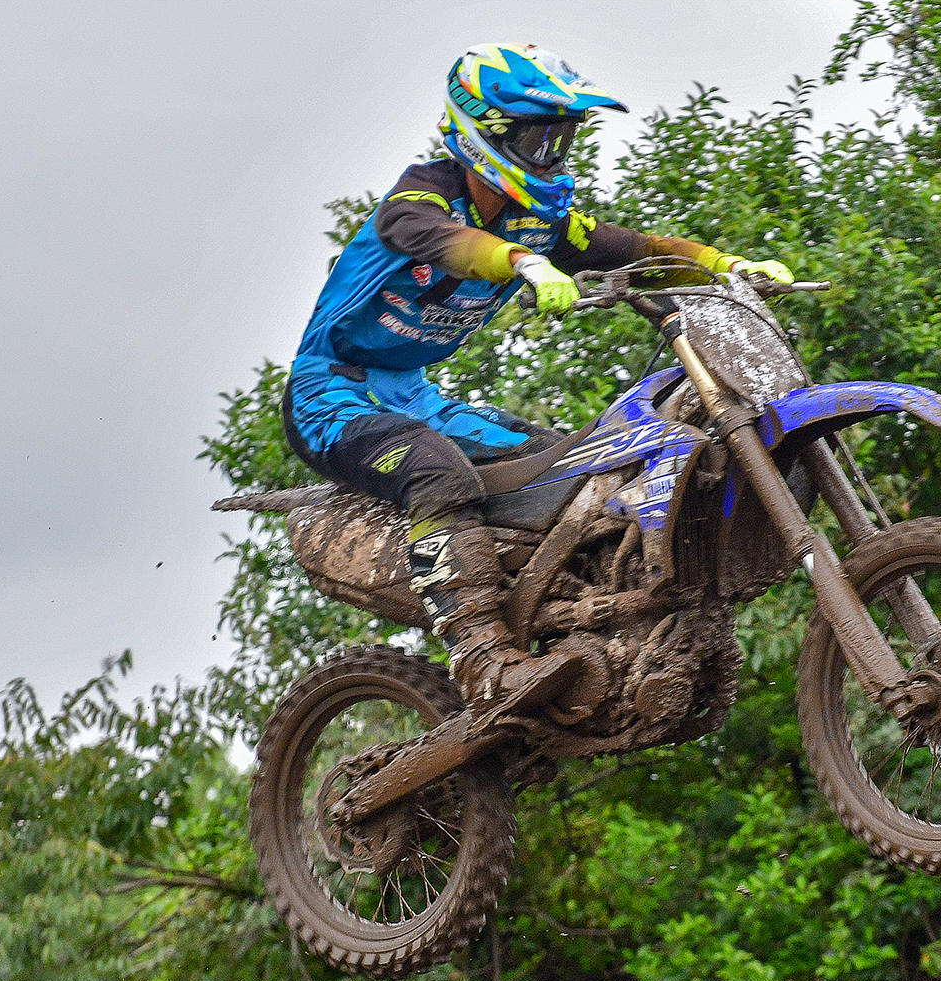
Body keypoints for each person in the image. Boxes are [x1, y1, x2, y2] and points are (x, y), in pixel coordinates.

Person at [285, 43, 794, 723]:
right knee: (440, 477)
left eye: (561, 137)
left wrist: (723, 263)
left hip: (414, 395)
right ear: (486, 133)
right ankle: (483, 659)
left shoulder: (538, 216)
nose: (552, 152)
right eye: (538, 136)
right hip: (332, 397)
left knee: (582, 471)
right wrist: (519, 261)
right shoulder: (420, 196)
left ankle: (577, 629)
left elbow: (632, 249)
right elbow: (439, 241)